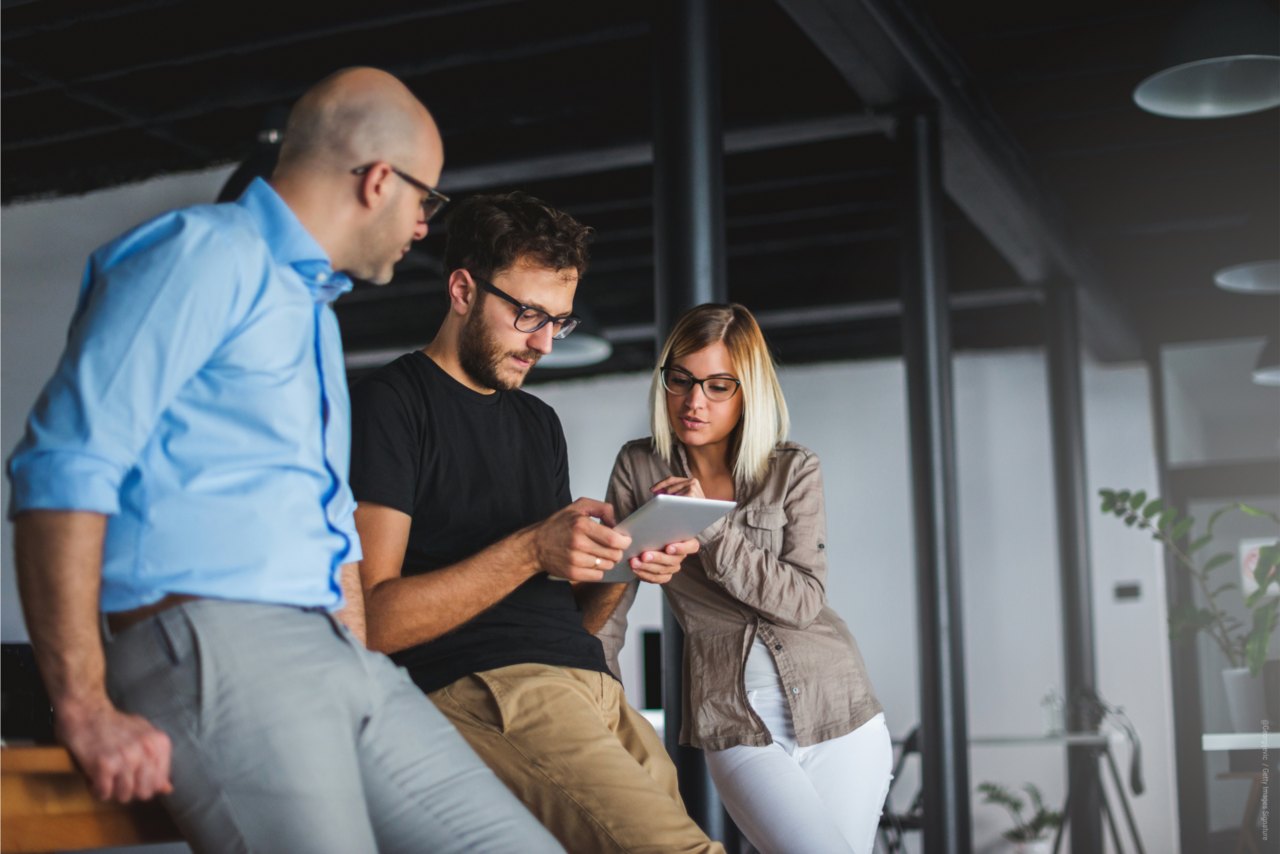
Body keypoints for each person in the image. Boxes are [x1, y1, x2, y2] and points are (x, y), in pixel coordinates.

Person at [6, 67, 563, 854]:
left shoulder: (310, 314)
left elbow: (329, 522)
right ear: (378, 181)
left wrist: (353, 649)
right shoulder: (200, 253)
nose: (423, 226)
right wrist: (84, 704)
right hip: (217, 642)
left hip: (340, 657)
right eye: (426, 201)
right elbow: (63, 466)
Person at [349, 191, 724, 854]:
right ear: (463, 288)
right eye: (528, 314)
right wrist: (530, 548)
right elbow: (376, 621)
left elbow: (564, 616)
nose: (545, 342)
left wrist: (624, 557)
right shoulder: (390, 404)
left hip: (593, 687)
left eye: (560, 322)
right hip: (492, 688)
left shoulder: (537, 423)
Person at [597, 303, 891, 854]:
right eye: (680, 379)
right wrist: (602, 702)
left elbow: (803, 601)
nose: (693, 401)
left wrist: (707, 523)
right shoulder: (639, 467)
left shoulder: (793, 468)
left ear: (747, 391)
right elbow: (609, 602)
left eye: (717, 385)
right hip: (734, 717)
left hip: (842, 709)